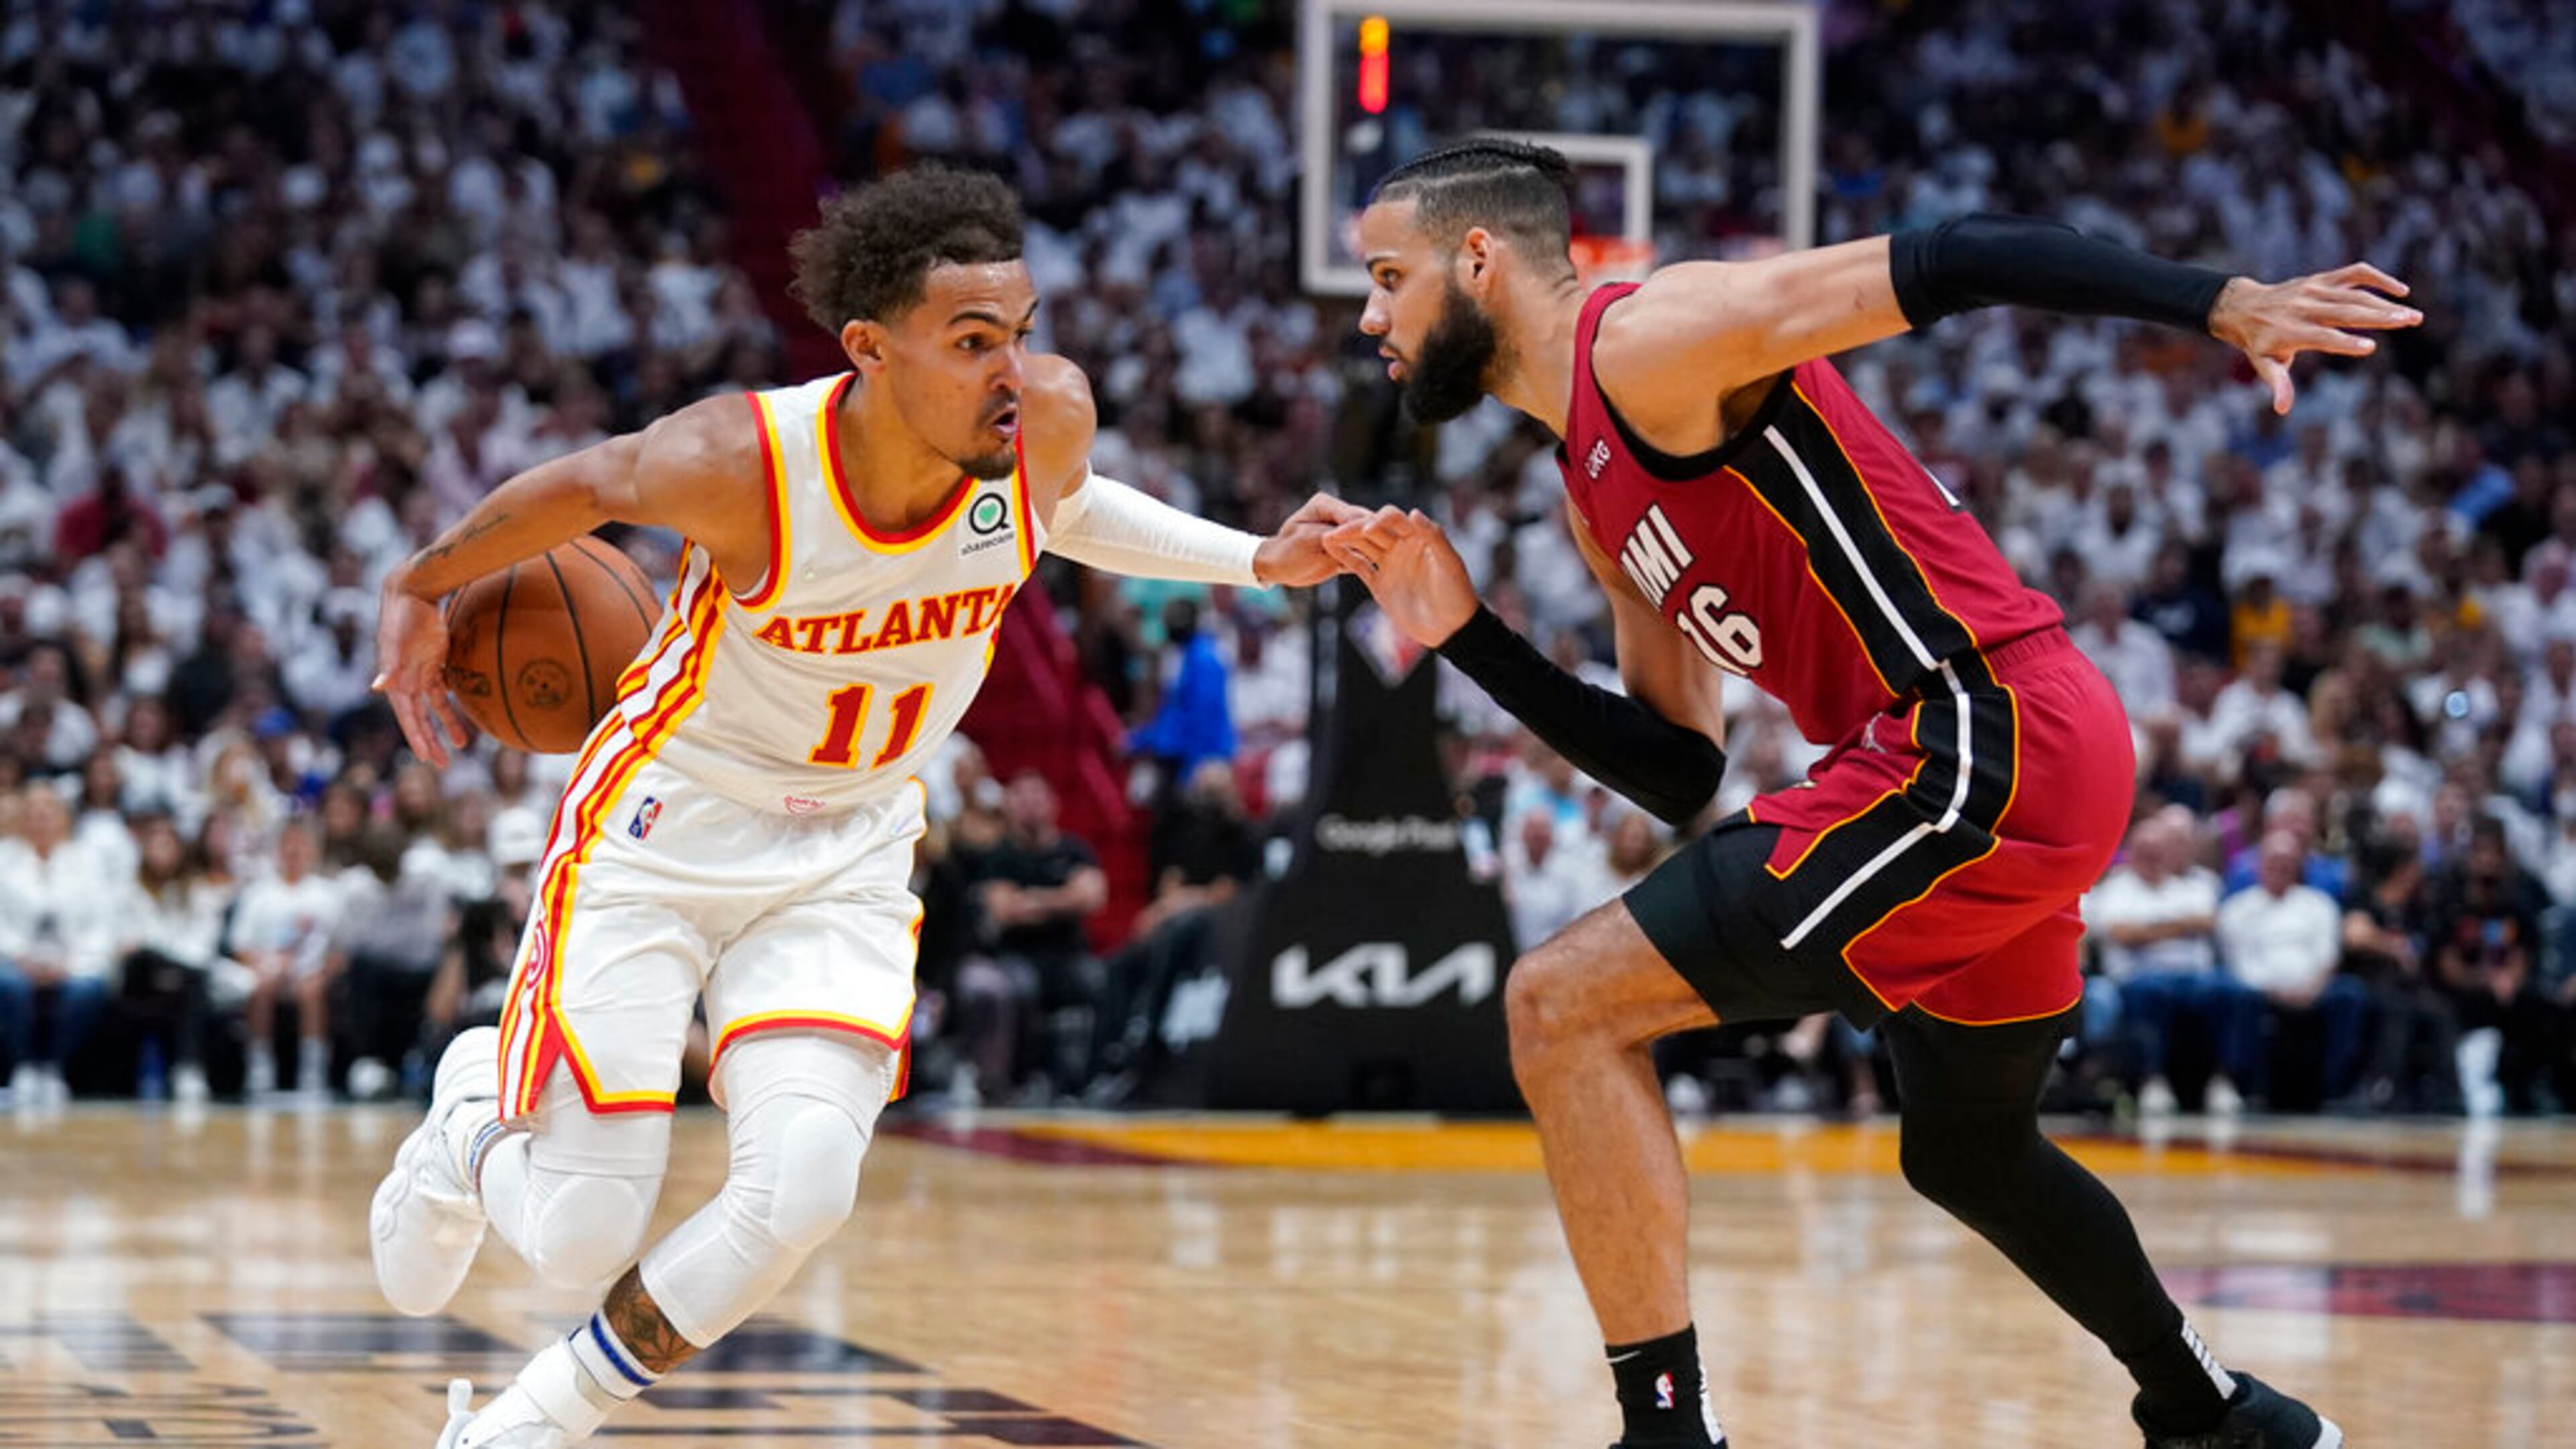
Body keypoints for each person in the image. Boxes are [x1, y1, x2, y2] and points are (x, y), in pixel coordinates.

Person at [1323, 138, 2412, 1448]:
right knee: (1966, 1149)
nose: (1371, 315)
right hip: (2004, 767)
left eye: (1390, 276)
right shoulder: (1586, 489)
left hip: (1978, 736)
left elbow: (1947, 259)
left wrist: (2219, 301)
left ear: (1481, 260)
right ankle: (2214, 1414)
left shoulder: (1653, 338)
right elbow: (1681, 768)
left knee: (1559, 1008)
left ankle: (1667, 1436)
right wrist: (1468, 640)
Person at [366, 166, 1356, 1449]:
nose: (1012, 368)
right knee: (579, 1232)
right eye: (971, 341)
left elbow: (1066, 513)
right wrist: (417, 585)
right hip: (667, 825)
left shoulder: (1041, 420)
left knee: (803, 1190)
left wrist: (1255, 559)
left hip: (849, 844)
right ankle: (466, 1116)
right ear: (871, 350)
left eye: (1020, 329)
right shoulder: (742, 462)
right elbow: (590, 487)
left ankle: (534, 1422)